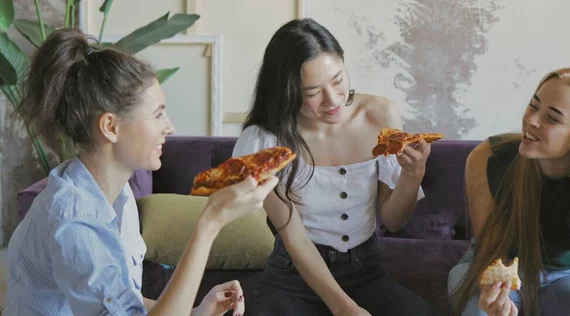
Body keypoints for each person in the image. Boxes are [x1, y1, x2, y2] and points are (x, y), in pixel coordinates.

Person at [5, 28, 278, 316]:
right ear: (110, 127)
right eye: (158, 114)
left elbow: (124, 303)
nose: (169, 127)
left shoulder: (119, 192)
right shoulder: (73, 221)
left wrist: (195, 311)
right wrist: (210, 223)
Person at [232, 18, 437, 316]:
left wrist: (412, 175)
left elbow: (393, 220)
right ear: (286, 91)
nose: (332, 100)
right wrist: (344, 308)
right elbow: (294, 237)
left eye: (338, 80)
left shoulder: (379, 115)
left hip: (366, 271)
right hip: (293, 277)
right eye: (313, 92)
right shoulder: (265, 141)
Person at [447, 67, 570, 315]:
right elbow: (492, 255)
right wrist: (495, 299)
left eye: (552, 117)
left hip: (567, 277)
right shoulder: (489, 158)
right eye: (533, 105)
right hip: (501, 264)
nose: (531, 120)